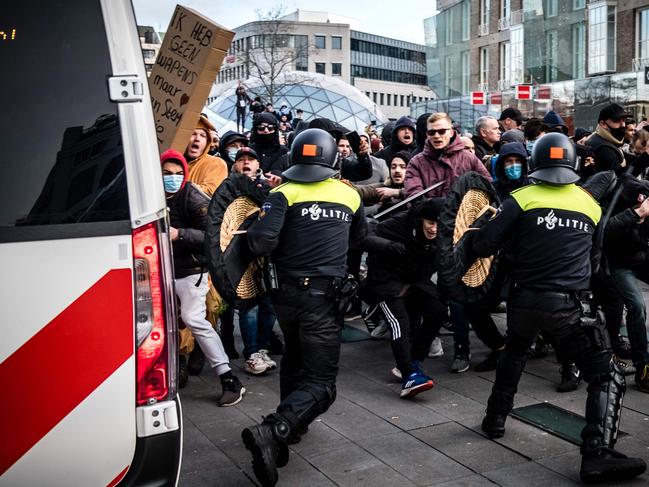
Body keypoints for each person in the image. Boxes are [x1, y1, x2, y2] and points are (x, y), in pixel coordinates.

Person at [469, 133, 646, 483]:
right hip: (567, 306)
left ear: (535, 163)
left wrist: (473, 227)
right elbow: (594, 259)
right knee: (605, 374)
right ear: (573, 164)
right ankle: (596, 452)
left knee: (514, 355)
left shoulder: (519, 199)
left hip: (523, 301)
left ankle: (495, 419)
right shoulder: (589, 206)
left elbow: (484, 244)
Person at [241, 128, 368, 487]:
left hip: (285, 297)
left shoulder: (282, 193)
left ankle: (288, 434)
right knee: (323, 383)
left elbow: (262, 243)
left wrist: (253, 226)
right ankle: (275, 428)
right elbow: (359, 238)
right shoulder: (350, 195)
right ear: (332, 158)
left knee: (295, 358)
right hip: (324, 300)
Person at [161, 149, 245, 406]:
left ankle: (229, 378)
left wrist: (180, 235)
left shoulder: (192, 196)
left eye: (177, 174)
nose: (172, 178)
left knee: (193, 319)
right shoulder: (149, 197)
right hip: (161, 271)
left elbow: (214, 234)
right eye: (166, 173)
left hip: (191, 271)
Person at [364, 198, 447, 397]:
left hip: (415, 278)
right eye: (430, 223)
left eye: (438, 224)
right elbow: (366, 236)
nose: (434, 229)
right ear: (421, 220)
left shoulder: (446, 230)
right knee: (400, 323)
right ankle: (409, 375)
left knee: (438, 311)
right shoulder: (398, 224)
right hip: (385, 281)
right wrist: (389, 246)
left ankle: (414, 361)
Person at [404, 112, 491, 199]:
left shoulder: (469, 159)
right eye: (432, 132)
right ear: (427, 134)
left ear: (451, 133)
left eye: (442, 131)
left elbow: (488, 187)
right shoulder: (416, 162)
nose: (436, 136)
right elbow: (414, 196)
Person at [184, 115, 228, 197]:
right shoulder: (172, 160)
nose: (197, 138)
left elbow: (209, 192)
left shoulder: (217, 164)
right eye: (193, 134)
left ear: (207, 142)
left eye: (203, 135)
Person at [585, 103, 631, 174]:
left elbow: (626, 157)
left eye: (624, 120)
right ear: (603, 124)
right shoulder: (603, 148)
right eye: (617, 120)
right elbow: (622, 177)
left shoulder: (605, 139)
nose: (623, 125)